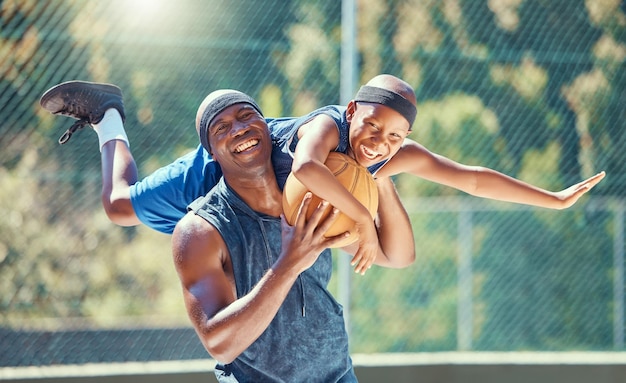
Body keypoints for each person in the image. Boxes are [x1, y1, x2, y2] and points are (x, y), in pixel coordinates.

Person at [40, 75, 605, 273]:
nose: (381, 143)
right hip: (222, 169)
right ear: (354, 111)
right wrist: (361, 218)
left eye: (396, 138)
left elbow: (472, 178)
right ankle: (108, 112)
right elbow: (308, 166)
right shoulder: (327, 127)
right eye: (375, 126)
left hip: (266, 212)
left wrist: (552, 199)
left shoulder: (383, 157)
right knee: (118, 208)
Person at [175, 89, 419, 381]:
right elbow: (219, 344)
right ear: (212, 153)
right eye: (221, 127)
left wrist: (375, 173)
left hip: (338, 374)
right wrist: (289, 263)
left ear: (266, 128)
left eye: (246, 116)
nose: (239, 129)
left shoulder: (312, 195)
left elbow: (398, 255)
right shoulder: (201, 230)